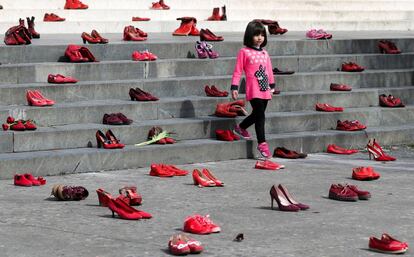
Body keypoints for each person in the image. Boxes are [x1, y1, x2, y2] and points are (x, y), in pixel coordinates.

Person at [231, 21, 275, 158]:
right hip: (253, 89)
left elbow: (269, 71)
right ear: (249, 36)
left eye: (262, 35)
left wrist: (272, 85)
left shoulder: (265, 53)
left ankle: (241, 127)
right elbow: (238, 71)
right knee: (260, 115)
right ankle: (262, 143)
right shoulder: (244, 52)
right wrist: (234, 86)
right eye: (256, 35)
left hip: (265, 88)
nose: (260, 37)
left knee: (257, 114)